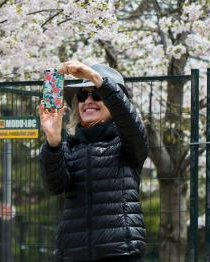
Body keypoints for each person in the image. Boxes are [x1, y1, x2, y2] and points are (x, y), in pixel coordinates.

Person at [39, 60, 148, 261]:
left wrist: (97, 79)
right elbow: (54, 186)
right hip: (73, 253)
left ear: (114, 102)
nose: (88, 101)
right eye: (82, 96)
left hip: (119, 253)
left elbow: (129, 123)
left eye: (96, 95)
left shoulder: (127, 144)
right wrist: (53, 141)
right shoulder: (68, 147)